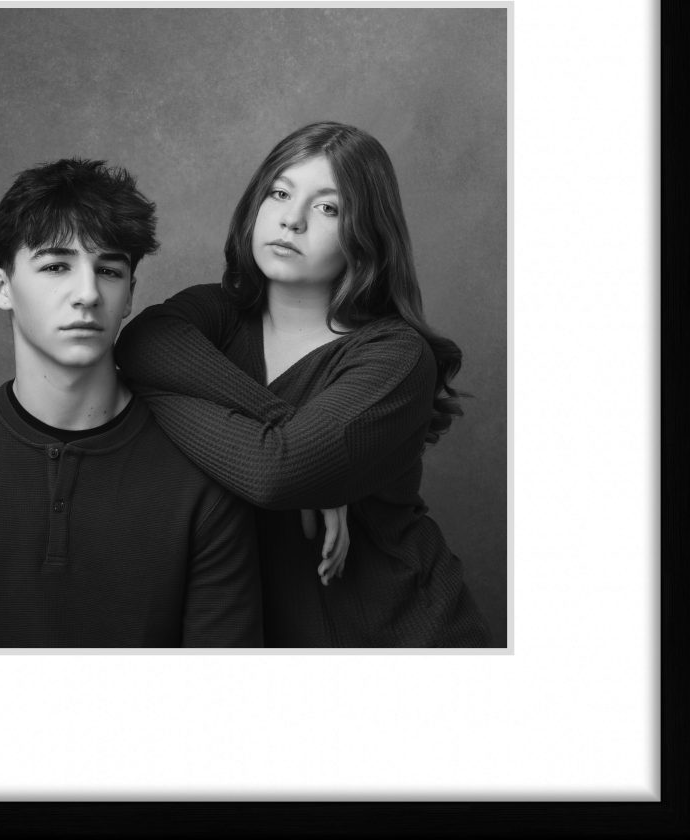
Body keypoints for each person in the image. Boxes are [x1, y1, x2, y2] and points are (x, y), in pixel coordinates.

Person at [115, 122, 492, 647]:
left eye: (327, 208)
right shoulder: (218, 315)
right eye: (280, 193)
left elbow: (277, 473)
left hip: (395, 637)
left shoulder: (395, 357)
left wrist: (297, 461)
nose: (291, 220)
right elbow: (137, 345)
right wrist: (293, 433)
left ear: (367, 234)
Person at [0, 158, 262, 647]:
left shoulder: (201, 479)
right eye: (56, 266)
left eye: (109, 270)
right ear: (1, 287)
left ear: (131, 295)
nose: (88, 293)